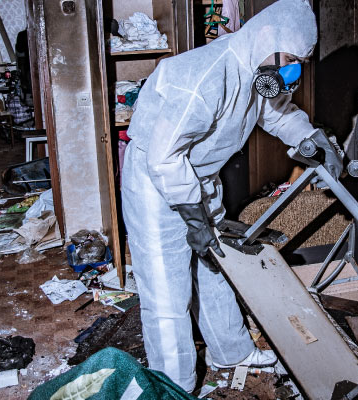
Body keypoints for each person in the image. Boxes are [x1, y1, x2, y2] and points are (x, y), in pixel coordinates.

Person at [121, 0, 343, 392]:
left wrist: (309, 138)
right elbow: (164, 155)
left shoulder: (259, 69)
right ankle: (175, 385)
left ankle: (231, 350)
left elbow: (276, 114)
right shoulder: (204, 75)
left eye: (300, 63)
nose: (293, 70)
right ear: (264, 38)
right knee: (168, 290)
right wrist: (192, 218)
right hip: (158, 183)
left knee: (216, 265)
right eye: (290, 58)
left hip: (201, 178)